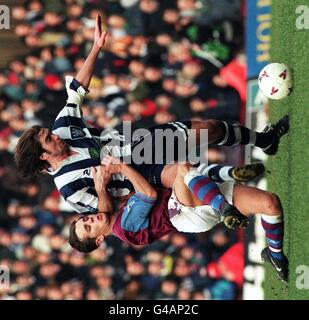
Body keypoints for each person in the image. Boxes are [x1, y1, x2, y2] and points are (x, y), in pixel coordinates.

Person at [14, 14, 289, 218]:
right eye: (49, 139)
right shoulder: (68, 187)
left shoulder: (63, 126)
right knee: (186, 174)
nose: (55, 136)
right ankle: (236, 204)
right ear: (42, 155)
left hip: (140, 144)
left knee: (210, 129)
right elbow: (104, 212)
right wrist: (102, 187)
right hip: (139, 177)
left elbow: (77, 90)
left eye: (49, 133)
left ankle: (264, 140)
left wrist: (96, 48)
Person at [68, 158, 289, 283]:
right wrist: (122, 167)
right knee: (183, 168)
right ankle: (225, 195)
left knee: (270, 204)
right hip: (182, 212)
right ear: (98, 241)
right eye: (89, 227)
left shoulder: (112, 219)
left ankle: (275, 256)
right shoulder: (124, 225)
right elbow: (148, 194)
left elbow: (102, 212)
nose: (91, 218)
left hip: (194, 198)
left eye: (85, 218)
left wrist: (100, 187)